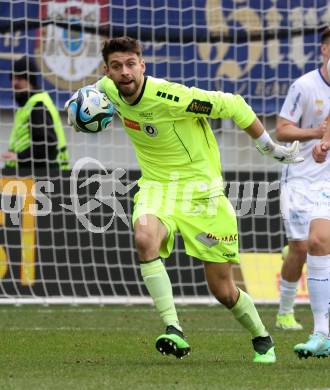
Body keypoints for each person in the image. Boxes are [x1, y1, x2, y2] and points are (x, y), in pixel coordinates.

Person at [70, 36, 303, 363]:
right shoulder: (107, 90)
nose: (125, 72)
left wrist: (269, 147)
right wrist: (77, 111)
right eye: (117, 66)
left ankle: (261, 337)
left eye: (131, 64)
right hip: (157, 188)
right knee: (144, 237)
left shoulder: (171, 97)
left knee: (223, 290)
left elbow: (234, 104)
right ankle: (173, 329)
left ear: (142, 64)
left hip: (202, 194)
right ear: (107, 70)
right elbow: (85, 99)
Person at [275, 26, 330, 333]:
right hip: (302, 176)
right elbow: (282, 130)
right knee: (300, 247)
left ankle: (321, 326)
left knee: (320, 243)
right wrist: (316, 135)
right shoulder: (305, 86)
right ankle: (285, 312)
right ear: (324, 49)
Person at [293, 56, 330, 358]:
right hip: (324, 180)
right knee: (316, 240)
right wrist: (324, 144)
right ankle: (321, 333)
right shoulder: (307, 84)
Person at [1, 56, 70, 172]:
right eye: (13, 78)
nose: (14, 83)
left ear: (30, 80)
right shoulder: (28, 105)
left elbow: (47, 144)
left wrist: (19, 157)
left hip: (41, 176)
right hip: (34, 174)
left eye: (19, 78)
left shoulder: (37, 106)